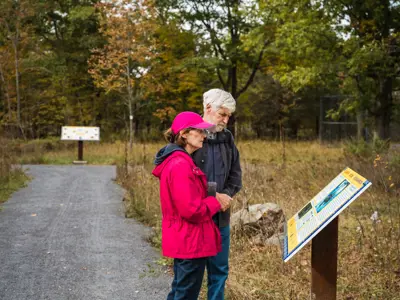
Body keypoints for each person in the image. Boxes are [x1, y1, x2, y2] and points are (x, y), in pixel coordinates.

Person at [152, 111, 230, 300]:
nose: (204, 136)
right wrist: (216, 202)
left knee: (180, 291)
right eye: (200, 131)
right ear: (184, 134)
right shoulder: (180, 164)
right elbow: (191, 210)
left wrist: (211, 194)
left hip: (186, 238)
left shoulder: (182, 160)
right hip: (190, 241)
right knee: (185, 294)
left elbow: (188, 196)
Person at [192, 89, 242, 300]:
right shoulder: (191, 135)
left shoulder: (227, 137)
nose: (226, 119)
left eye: (229, 115)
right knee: (190, 275)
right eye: (222, 114)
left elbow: (235, 173)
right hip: (195, 218)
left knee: (219, 273)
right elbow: (183, 178)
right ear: (208, 108)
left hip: (221, 217)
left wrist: (226, 196)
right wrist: (214, 196)